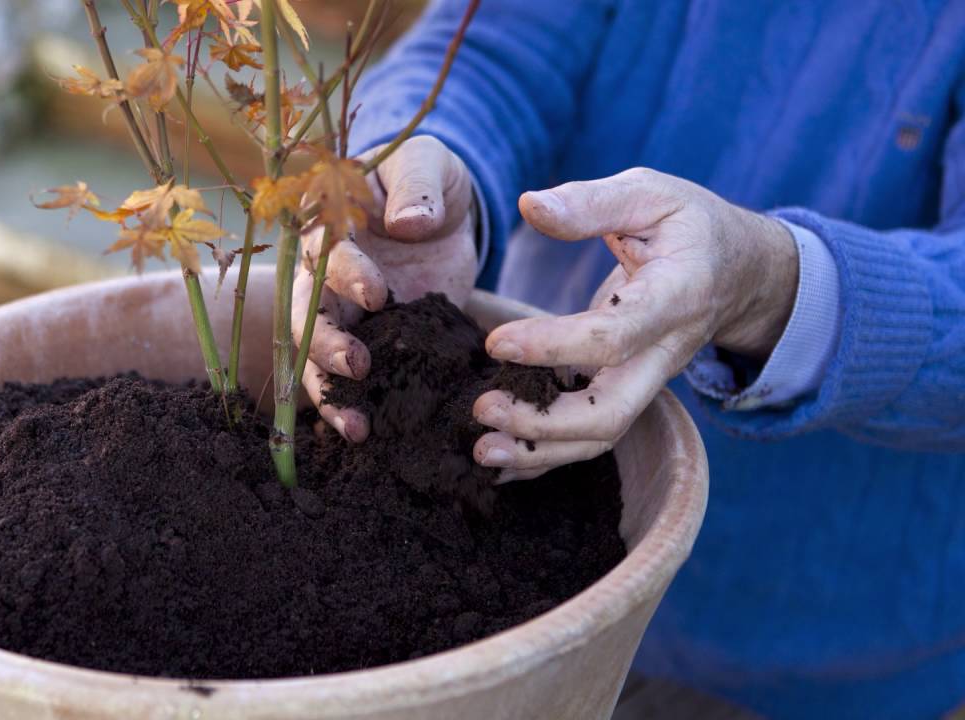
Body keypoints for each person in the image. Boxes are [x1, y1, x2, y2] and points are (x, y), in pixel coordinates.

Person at [292, 1, 965, 717]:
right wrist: (422, 157)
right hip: (536, 585)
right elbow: (491, 55)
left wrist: (769, 285)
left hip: (845, 655)